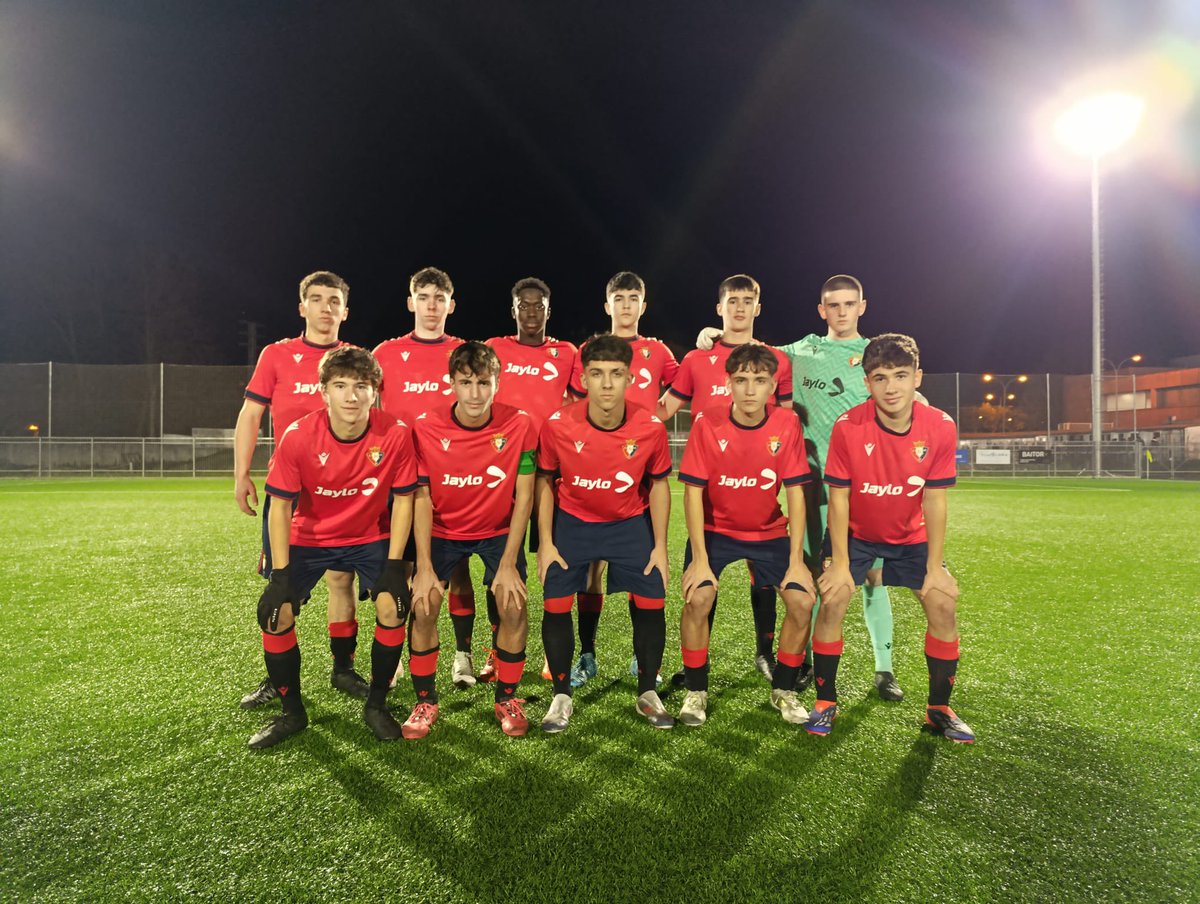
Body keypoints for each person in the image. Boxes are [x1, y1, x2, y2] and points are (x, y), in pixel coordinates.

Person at [696, 274, 904, 700]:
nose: (842, 312)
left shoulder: (873, 355)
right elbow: (754, 354)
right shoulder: (799, 351)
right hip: (808, 484)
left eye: (850, 305)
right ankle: (804, 661)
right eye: (834, 305)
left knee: (873, 576)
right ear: (821, 310)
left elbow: (902, 389)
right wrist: (718, 334)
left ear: (862, 307)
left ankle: (885, 669)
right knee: (809, 577)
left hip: (863, 484)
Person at [247, 346, 418, 749]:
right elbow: (281, 507)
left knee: (395, 605)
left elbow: (405, 500)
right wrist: (281, 574)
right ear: (323, 391)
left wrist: (395, 565)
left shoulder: (395, 433)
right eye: (340, 386)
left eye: (361, 386)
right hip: (310, 537)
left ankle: (376, 706)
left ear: (375, 391)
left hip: (369, 536)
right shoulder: (299, 436)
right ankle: (293, 713)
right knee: (274, 613)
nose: (352, 396)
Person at [807, 333, 974, 743]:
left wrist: (934, 568)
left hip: (909, 537)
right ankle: (825, 702)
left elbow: (934, 501)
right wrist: (842, 563)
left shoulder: (940, 426)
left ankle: (939, 709)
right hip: (857, 535)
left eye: (900, 375)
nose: (891, 387)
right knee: (832, 599)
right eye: (880, 378)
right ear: (867, 383)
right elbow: (839, 499)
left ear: (918, 377)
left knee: (943, 604)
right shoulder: (849, 427)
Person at [234, 270, 369, 710]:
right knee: (281, 586)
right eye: (317, 298)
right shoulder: (277, 355)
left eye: (334, 300)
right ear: (302, 307)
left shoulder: (356, 360)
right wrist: (241, 473)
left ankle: (343, 668)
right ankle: (279, 681)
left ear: (345, 311)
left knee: (341, 579)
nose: (326, 307)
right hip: (289, 494)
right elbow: (251, 416)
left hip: (346, 493)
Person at [659, 274, 793, 683]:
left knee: (765, 580)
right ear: (719, 308)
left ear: (758, 308)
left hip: (760, 497)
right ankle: (695, 667)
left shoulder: (777, 361)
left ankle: (765, 654)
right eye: (731, 300)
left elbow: (788, 420)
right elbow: (662, 409)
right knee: (702, 584)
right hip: (709, 499)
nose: (739, 307)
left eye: (747, 300)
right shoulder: (697, 360)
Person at [537, 334, 674, 732]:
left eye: (616, 374)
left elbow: (661, 484)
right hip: (573, 523)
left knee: (651, 599)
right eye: (597, 374)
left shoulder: (650, 427)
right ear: (583, 379)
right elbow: (545, 481)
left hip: (629, 523)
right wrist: (546, 543)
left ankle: (648, 692)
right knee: (556, 602)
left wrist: (660, 547)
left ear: (631, 378)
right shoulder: (559, 425)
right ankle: (561, 695)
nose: (607, 384)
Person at [677, 345, 818, 726]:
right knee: (698, 598)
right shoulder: (707, 422)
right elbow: (692, 492)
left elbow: (795, 492)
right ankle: (696, 690)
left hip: (769, 532)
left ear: (773, 385)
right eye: (741, 380)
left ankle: (785, 690)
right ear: (728, 384)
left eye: (759, 381)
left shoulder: (787, 424)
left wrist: (795, 561)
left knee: (802, 603)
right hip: (714, 531)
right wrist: (701, 560)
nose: (750, 390)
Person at [406, 342, 538, 738]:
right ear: (451, 383)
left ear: (498, 383)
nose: (475, 393)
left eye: (484, 382)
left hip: (498, 532)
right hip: (443, 533)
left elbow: (525, 495)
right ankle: (425, 701)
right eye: (466, 383)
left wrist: (510, 561)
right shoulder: (425, 426)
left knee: (513, 604)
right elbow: (421, 497)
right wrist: (425, 568)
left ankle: (506, 698)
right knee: (424, 605)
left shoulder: (521, 424)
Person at [562, 272, 679, 688]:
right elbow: (578, 408)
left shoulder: (658, 351)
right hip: (593, 474)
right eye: (619, 298)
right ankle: (586, 654)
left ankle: (640, 657)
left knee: (641, 569)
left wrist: (648, 425)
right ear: (607, 304)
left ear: (643, 306)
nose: (626, 305)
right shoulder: (587, 352)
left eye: (634, 298)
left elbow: (685, 387)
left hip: (641, 477)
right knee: (589, 570)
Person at [372, 267, 475, 688]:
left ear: (451, 305)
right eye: (424, 296)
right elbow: (370, 413)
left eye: (440, 298)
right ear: (411, 302)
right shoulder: (385, 353)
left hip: (453, 484)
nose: (432, 306)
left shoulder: (466, 353)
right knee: (401, 570)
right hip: (399, 485)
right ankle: (397, 656)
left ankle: (463, 655)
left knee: (458, 572)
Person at [486, 278, 577, 681]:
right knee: (500, 566)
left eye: (538, 305)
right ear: (513, 311)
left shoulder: (566, 353)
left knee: (554, 564)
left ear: (548, 311)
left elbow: (580, 400)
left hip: (550, 475)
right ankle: (496, 645)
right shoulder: (495, 348)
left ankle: (549, 649)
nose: (531, 312)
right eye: (524, 305)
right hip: (501, 474)